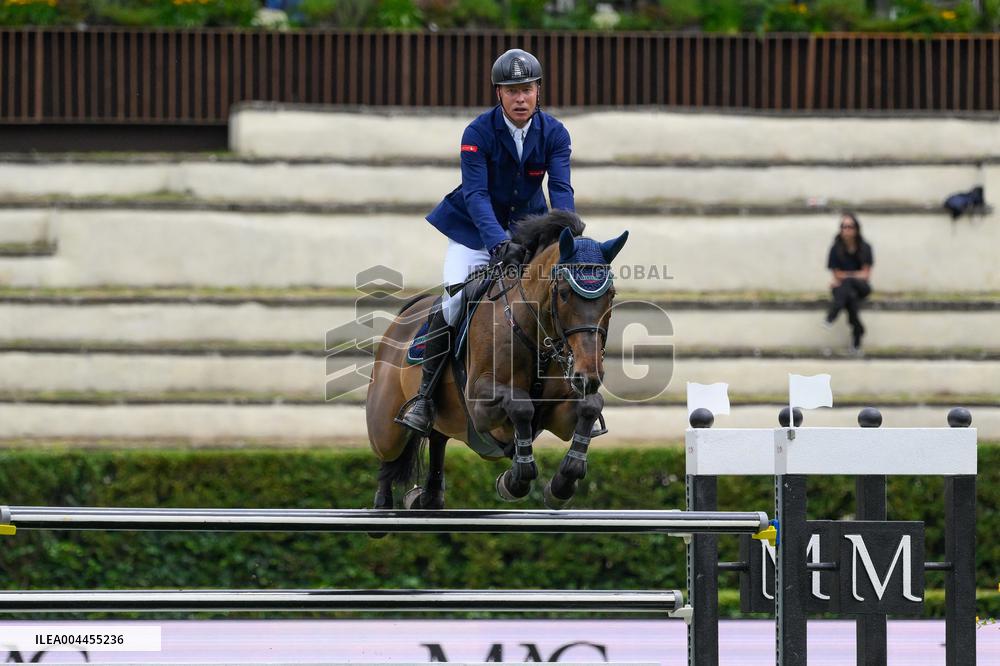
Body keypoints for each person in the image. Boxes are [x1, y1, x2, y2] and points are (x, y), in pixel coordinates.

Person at [395, 48, 576, 435]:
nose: (521, 98)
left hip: (528, 232)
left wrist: (566, 239)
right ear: (499, 94)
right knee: (455, 299)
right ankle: (425, 397)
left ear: (538, 90)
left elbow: (560, 189)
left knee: (558, 298)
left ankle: (571, 386)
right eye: (512, 91)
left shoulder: (555, 133)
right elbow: (476, 196)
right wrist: (496, 243)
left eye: (527, 89)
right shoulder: (477, 133)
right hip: (475, 234)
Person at [823, 212, 874, 353]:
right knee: (849, 296)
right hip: (843, 290)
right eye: (844, 227)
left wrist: (847, 277)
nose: (847, 230)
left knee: (848, 285)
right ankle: (858, 331)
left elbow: (865, 275)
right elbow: (836, 274)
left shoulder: (865, 248)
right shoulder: (835, 249)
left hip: (861, 287)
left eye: (850, 227)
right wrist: (851, 276)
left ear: (856, 229)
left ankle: (833, 313)